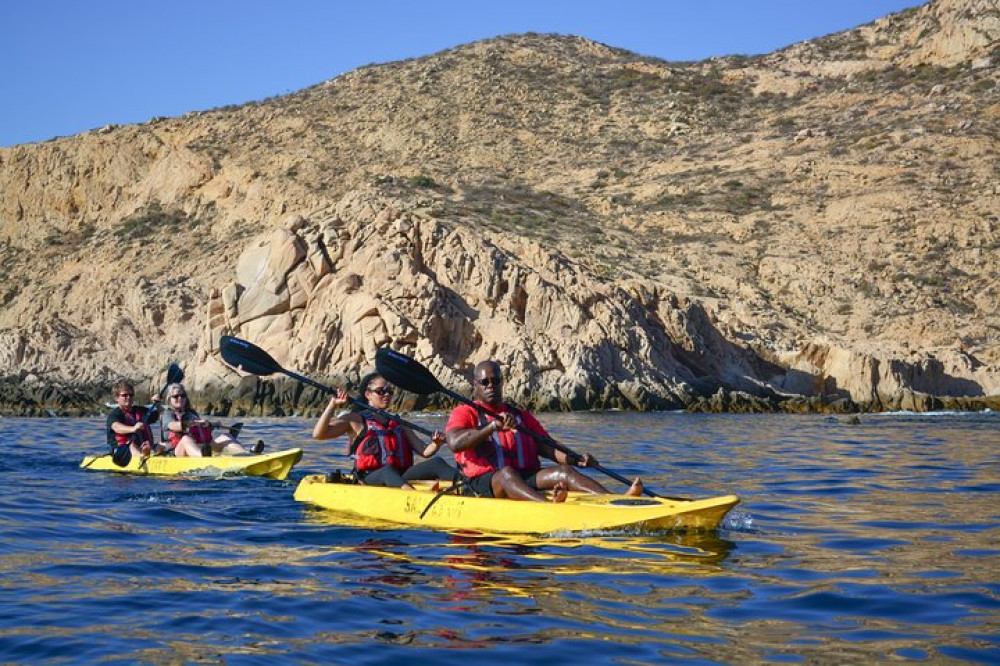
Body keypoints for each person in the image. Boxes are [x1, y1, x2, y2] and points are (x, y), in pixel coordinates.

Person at [444, 360, 644, 502]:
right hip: (484, 482)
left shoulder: (520, 415)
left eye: (495, 381)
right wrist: (492, 427)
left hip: (524, 476)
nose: (491, 386)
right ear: (475, 385)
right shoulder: (465, 412)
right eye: (485, 382)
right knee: (507, 474)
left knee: (564, 472)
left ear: (502, 383)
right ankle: (548, 506)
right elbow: (454, 442)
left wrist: (574, 459)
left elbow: (548, 447)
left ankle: (615, 501)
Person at [313, 372, 455, 489]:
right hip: (369, 477)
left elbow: (424, 451)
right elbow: (319, 434)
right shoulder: (355, 420)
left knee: (437, 463)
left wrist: (436, 443)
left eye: (389, 391)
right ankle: (415, 498)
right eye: (381, 391)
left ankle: (469, 485)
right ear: (368, 395)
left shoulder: (399, 422)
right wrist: (332, 405)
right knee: (388, 471)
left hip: (399, 476)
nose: (386, 395)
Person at [163, 382, 262, 457]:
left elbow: (199, 431)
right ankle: (202, 457)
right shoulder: (168, 414)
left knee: (225, 436)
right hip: (177, 451)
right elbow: (172, 425)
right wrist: (192, 423)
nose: (180, 398)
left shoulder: (192, 413)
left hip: (200, 447)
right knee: (185, 439)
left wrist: (210, 426)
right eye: (176, 396)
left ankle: (247, 454)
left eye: (182, 395)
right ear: (169, 399)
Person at [106, 379, 163, 462]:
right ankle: (143, 457)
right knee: (131, 445)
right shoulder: (115, 415)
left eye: (131, 395)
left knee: (162, 445)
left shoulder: (141, 411)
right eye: (125, 395)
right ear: (116, 397)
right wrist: (133, 428)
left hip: (144, 446)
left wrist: (158, 405)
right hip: (122, 451)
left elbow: (163, 416)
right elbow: (116, 427)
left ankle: (147, 453)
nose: (128, 397)